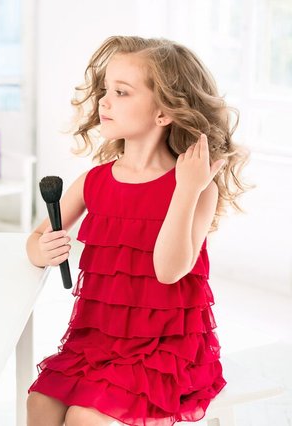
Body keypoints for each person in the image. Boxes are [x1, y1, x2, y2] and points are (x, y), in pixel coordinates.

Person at [26, 35, 250, 426]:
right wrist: (42, 249)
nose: (104, 102)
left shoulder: (197, 187)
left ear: (163, 113)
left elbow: (169, 270)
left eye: (122, 92)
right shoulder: (94, 181)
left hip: (167, 351)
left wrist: (186, 188)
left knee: (85, 418)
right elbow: (35, 239)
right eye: (105, 90)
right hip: (96, 341)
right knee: (40, 402)